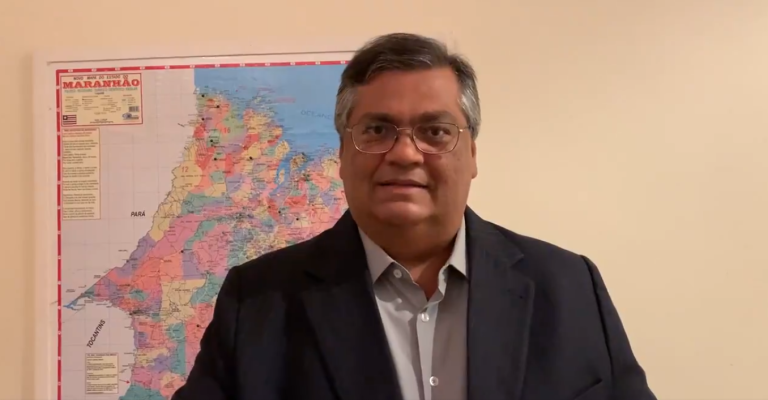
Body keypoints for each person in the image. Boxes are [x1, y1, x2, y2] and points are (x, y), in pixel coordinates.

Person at [171, 32, 656, 400]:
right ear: (341, 154)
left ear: (472, 154)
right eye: (377, 130)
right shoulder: (258, 301)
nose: (404, 154)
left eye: (435, 131)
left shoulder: (570, 287)